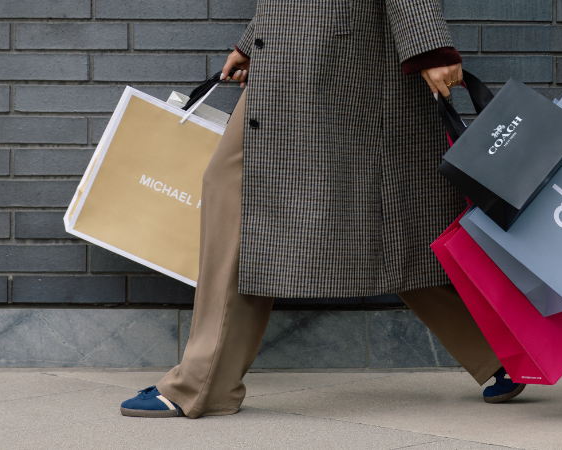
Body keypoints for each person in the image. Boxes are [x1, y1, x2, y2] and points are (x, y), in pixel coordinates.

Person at [120, 0, 524, 418]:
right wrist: (259, 39)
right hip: (310, 54)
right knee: (385, 217)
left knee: (242, 195)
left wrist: (431, 47)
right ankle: (504, 355)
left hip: (336, 60)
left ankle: (201, 383)